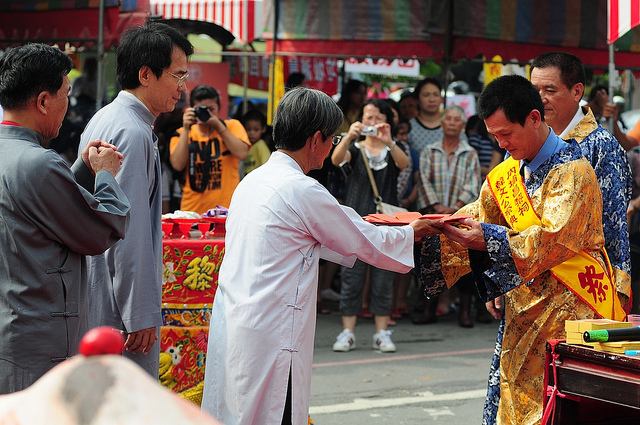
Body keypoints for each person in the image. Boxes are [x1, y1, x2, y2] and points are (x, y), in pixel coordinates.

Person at [200, 87, 439, 425]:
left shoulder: (254, 180)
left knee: (239, 412)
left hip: (242, 318)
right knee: (272, 411)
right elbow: (359, 239)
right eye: (332, 137)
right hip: (272, 330)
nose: (332, 146)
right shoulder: (300, 188)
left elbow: (323, 235)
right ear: (315, 139)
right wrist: (411, 232)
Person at [417, 74, 627, 424]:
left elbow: (551, 239)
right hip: (520, 312)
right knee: (512, 401)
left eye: (507, 134)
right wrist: (424, 230)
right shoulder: (506, 174)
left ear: (533, 118)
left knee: (556, 406)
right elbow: (476, 215)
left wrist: (485, 238)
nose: (502, 144)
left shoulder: (574, 172)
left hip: (568, 315)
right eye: (495, 136)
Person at [0, 43, 130, 393]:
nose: (67, 105)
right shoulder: (38, 163)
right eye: (65, 94)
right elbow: (100, 231)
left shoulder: (15, 156)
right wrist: (104, 175)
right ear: (43, 101)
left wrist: (81, 171)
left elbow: (44, 208)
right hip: (37, 342)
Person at [78, 22, 194, 377]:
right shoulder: (130, 131)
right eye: (177, 75)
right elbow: (128, 231)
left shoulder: (109, 118)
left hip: (100, 294)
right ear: (146, 74)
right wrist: (140, 313)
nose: (182, 87)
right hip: (118, 310)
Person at [330, 98, 409, 352]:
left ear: (387, 120)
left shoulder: (391, 148)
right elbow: (335, 159)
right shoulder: (356, 148)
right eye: (367, 117)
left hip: (385, 224)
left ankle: (381, 332)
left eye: (376, 117)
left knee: (383, 277)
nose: (371, 123)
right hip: (356, 222)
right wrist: (348, 137)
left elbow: (404, 163)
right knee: (352, 275)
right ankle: (347, 332)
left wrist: (389, 140)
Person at [412, 105, 481, 327]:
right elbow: (423, 180)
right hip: (432, 215)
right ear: (442, 123)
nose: (451, 123)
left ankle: (464, 311)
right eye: (448, 119)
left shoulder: (470, 152)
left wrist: (455, 208)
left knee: (464, 262)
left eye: (456, 120)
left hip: (459, 217)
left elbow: (473, 184)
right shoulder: (429, 150)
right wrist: (437, 206)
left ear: (462, 125)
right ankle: (428, 308)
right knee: (429, 260)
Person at [170, 84, 250, 213]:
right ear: (191, 110)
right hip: (193, 213)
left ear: (219, 107)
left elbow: (242, 154)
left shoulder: (232, 126)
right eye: (201, 109)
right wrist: (186, 128)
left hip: (226, 212)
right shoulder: (181, 133)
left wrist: (218, 126)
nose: (206, 114)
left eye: (211, 109)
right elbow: (177, 165)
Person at [407, 77, 444, 155]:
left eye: (436, 95)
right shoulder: (409, 127)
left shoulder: (451, 124)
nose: (432, 99)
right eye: (426, 95)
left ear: (441, 98)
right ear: (417, 99)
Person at [241, 109, 270, 176]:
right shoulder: (246, 147)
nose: (252, 133)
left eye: (256, 129)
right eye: (248, 129)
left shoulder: (261, 146)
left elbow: (266, 166)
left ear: (263, 129)